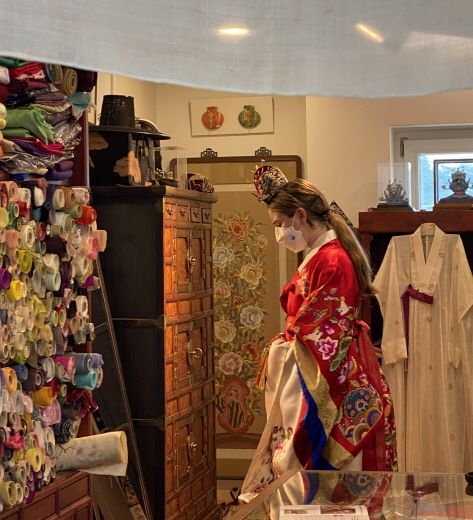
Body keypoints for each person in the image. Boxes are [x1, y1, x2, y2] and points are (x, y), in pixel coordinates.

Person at [239, 165, 397, 503]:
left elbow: (322, 330)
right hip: (324, 365)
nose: (279, 232)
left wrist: (286, 345)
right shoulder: (320, 256)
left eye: (279, 224)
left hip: (334, 375)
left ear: (299, 216)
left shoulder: (333, 260)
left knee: (325, 477)